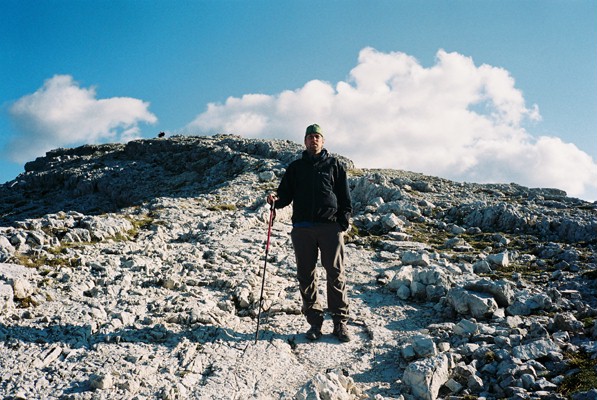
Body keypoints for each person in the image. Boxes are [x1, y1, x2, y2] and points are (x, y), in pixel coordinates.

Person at [267, 123, 353, 342]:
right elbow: (285, 195)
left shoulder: (334, 165)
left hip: (329, 227)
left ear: (322, 141)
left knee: (335, 273)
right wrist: (275, 200)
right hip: (303, 228)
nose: (313, 140)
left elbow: (344, 196)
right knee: (306, 274)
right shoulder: (296, 167)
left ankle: (340, 322)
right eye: (309, 137)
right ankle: (314, 323)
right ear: (304, 141)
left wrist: (342, 222)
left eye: (317, 136)